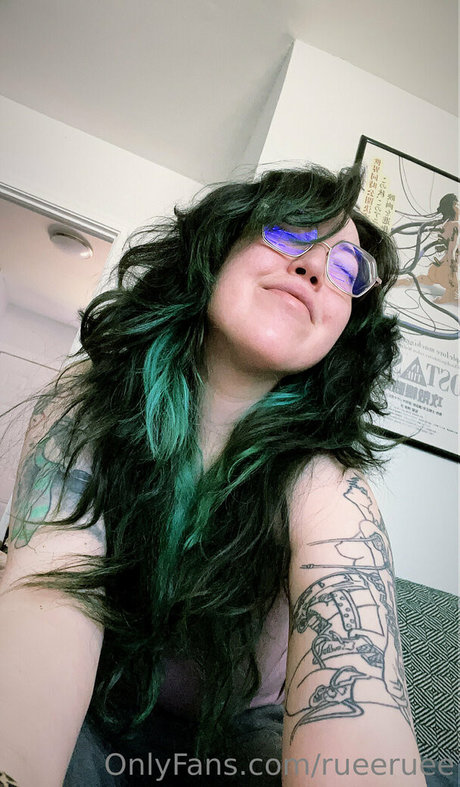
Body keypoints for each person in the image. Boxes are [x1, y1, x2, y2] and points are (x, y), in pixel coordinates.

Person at [0, 162, 430, 786]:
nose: (315, 267)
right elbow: (51, 599)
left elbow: (359, 690)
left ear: (345, 329)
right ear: (220, 244)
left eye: (346, 269)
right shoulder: (91, 399)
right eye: (291, 232)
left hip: (243, 739)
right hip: (94, 697)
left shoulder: (327, 482)